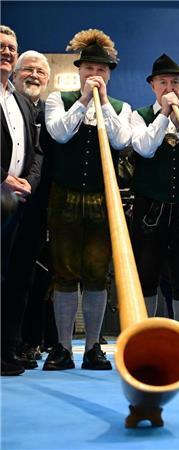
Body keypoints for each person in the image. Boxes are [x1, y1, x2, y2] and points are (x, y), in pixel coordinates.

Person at [42, 29, 132, 371]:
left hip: (102, 198)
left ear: (109, 74)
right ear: (79, 70)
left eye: (102, 69)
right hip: (63, 197)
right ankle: (63, 348)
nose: (95, 74)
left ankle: (94, 347)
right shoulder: (58, 99)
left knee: (97, 274)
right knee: (64, 274)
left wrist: (104, 103)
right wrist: (83, 100)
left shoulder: (120, 108)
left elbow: (122, 139)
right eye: (89, 68)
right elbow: (59, 133)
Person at [130, 54, 179, 332]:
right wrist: (163, 115)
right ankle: (146, 334)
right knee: (146, 273)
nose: (169, 87)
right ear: (152, 86)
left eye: (175, 82)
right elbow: (144, 148)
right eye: (163, 82)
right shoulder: (140, 116)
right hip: (149, 206)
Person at [0, 25, 43, 376]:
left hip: (19, 205)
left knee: (16, 280)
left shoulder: (20, 101)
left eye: (11, 47)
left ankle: (8, 350)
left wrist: (28, 180)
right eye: (1, 47)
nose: (7, 52)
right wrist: (3, 179)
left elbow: (37, 151)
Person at [5, 48, 52, 368]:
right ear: (16, 73)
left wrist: (30, 183)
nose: (34, 76)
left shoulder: (39, 109)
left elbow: (37, 155)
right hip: (3, 198)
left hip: (31, 206)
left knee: (24, 279)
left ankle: (15, 344)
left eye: (40, 72)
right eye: (28, 70)